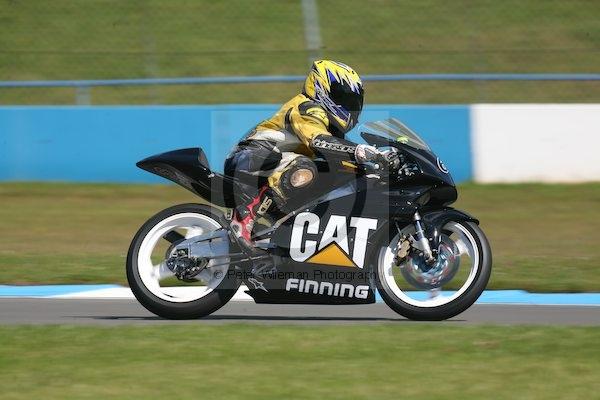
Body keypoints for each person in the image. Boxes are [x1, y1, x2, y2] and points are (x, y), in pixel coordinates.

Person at [224, 60, 396, 249]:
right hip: (251, 156)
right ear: (321, 87)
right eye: (342, 96)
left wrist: (371, 167)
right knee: (304, 168)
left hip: (271, 163)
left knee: (335, 174)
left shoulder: (330, 125)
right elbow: (317, 140)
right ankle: (243, 217)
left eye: (352, 101)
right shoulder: (307, 107)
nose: (348, 105)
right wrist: (359, 151)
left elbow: (339, 157)